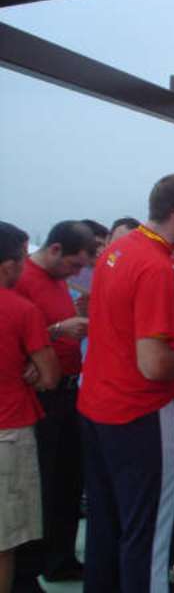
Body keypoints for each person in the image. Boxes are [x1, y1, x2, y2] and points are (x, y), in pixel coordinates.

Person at [78, 174, 174, 593]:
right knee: (150, 532)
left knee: (106, 524)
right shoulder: (156, 268)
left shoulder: (116, 251)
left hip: (97, 407)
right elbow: (153, 363)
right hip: (140, 412)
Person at [13, 220, 94, 585]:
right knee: (44, 481)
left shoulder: (59, 278)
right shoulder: (23, 279)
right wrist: (58, 331)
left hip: (69, 389)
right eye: (74, 265)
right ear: (56, 249)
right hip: (42, 393)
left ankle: (60, 559)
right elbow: (14, 333)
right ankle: (36, 562)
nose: (76, 274)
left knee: (68, 479)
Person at [0, 222, 60, 593]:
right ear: (9, 265)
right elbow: (50, 376)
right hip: (8, 431)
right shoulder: (21, 310)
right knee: (4, 540)